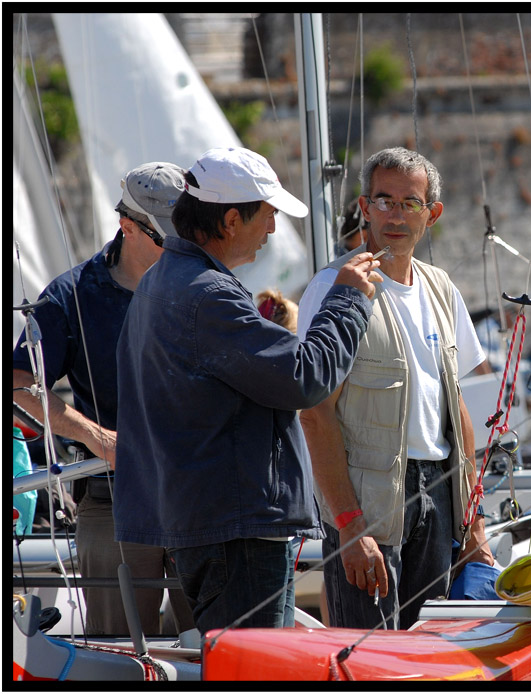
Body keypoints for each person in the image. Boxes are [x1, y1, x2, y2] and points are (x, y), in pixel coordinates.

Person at [114, 147, 381, 633]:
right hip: (236, 532)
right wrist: (347, 300)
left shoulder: (161, 282)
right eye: (269, 215)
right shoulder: (207, 294)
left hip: (207, 523)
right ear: (232, 219)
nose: (274, 230)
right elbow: (305, 377)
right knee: (255, 670)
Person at [297, 146, 494, 630]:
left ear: (433, 214)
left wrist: (474, 522)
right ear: (364, 208)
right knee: (367, 651)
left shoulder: (442, 289)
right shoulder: (334, 288)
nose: (395, 215)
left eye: (410, 203)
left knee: (428, 651)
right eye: (383, 201)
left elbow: (458, 411)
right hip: (370, 501)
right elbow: (315, 414)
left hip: (439, 495)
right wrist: (348, 526)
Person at [12, 162, 194, 636]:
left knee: (212, 648)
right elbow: (19, 383)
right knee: (117, 651)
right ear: (127, 227)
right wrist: (95, 436)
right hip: (113, 498)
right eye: (168, 236)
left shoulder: (203, 285)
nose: (182, 247)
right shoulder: (72, 294)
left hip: (199, 498)